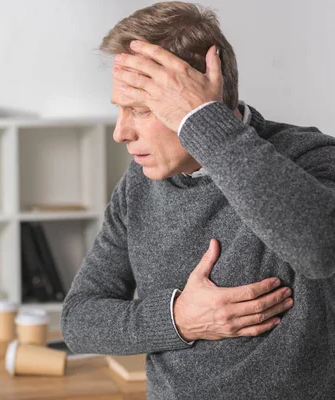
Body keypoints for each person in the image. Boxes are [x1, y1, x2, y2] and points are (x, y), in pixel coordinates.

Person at [60, 2, 335, 399]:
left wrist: (204, 122)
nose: (121, 132)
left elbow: (319, 248)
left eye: (140, 110)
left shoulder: (311, 157)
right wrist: (179, 319)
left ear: (196, 99)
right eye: (121, 110)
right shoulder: (138, 186)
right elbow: (78, 320)